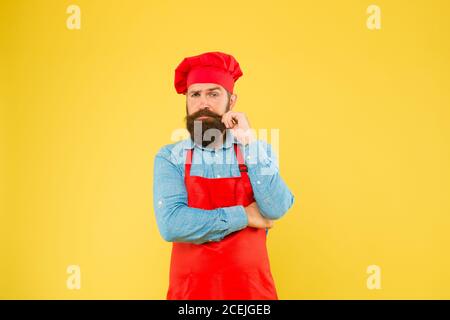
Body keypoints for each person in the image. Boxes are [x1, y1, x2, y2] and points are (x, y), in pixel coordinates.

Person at [153, 51, 295, 300]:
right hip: (191, 297)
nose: (203, 103)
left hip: (252, 296)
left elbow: (276, 208)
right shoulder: (170, 157)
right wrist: (245, 215)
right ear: (186, 100)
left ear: (232, 101)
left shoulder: (257, 152)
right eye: (195, 94)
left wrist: (249, 143)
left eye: (213, 93)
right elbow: (172, 224)